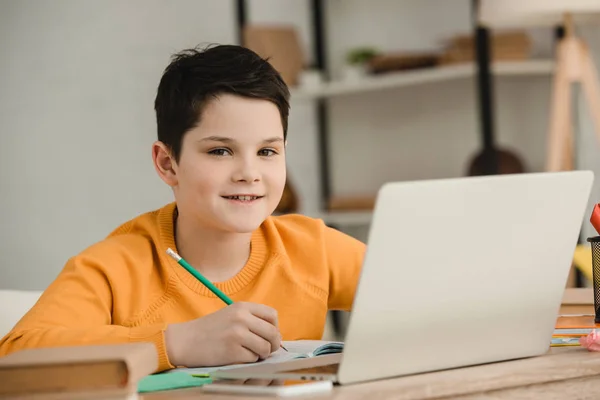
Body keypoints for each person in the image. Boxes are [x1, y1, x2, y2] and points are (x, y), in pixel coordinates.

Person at [0, 44, 366, 372]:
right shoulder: (114, 267)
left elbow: (419, 293)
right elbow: (13, 357)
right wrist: (177, 343)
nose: (249, 174)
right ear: (167, 163)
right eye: (220, 151)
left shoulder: (313, 248)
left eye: (267, 151)